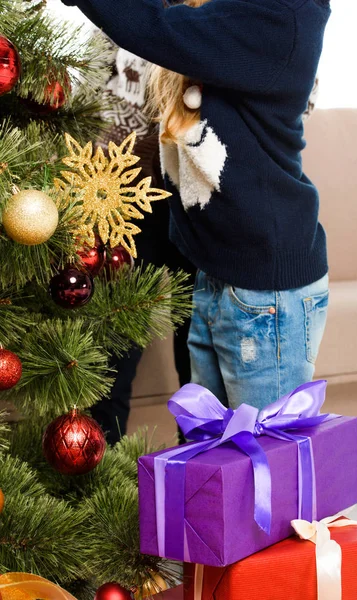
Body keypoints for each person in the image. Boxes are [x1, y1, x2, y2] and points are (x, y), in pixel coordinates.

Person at [61, 0, 331, 411]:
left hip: (261, 282)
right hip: (217, 270)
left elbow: (162, 28)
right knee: (209, 449)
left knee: (262, 455)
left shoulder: (281, 16)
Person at [90, 46, 196, 445]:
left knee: (199, 351)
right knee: (113, 349)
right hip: (130, 191)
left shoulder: (232, 15)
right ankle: (95, 475)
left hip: (205, 193)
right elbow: (91, 100)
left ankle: (200, 475)